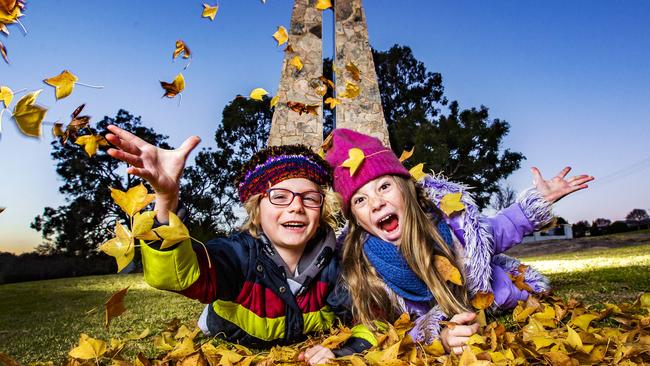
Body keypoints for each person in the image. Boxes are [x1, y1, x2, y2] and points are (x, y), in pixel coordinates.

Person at [105, 125, 374, 363]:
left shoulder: (335, 265)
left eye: (309, 198)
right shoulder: (237, 253)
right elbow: (179, 277)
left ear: (322, 209)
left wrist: (344, 352)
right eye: (279, 196)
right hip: (229, 334)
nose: (296, 206)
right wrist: (166, 200)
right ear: (257, 209)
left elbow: (370, 320)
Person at [322, 128, 593, 355]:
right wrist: (438, 336)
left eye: (384, 187)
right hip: (446, 320)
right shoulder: (366, 270)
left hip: (493, 296)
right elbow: (394, 329)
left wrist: (537, 202)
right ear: (356, 219)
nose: (377, 203)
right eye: (360, 200)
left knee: (509, 278)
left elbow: (497, 230)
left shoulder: (455, 226)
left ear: (405, 190)